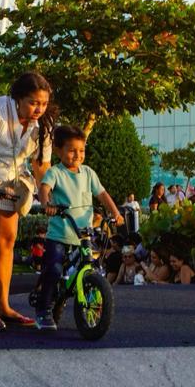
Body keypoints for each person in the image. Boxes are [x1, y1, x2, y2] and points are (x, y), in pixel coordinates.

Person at [0, 72, 55, 331]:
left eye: (43, 103)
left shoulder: (43, 126)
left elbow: (42, 165)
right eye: (33, 102)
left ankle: (3, 304)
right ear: (17, 98)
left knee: (7, 240)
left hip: (12, 181)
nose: (39, 109)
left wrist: (48, 198)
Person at [34, 124, 123, 330]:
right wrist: (47, 204)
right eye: (72, 150)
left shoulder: (88, 173)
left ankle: (76, 298)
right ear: (58, 150)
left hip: (83, 234)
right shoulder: (55, 172)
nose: (78, 155)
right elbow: (44, 189)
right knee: (54, 269)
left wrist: (115, 213)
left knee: (90, 265)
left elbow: (102, 194)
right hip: (59, 234)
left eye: (81, 150)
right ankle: (43, 309)